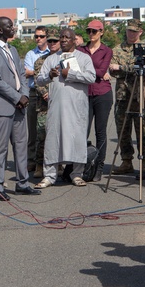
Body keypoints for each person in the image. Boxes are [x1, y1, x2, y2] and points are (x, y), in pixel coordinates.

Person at [0, 17, 41, 200]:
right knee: (0, 147)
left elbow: (21, 74)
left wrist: (24, 94)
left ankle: (23, 183)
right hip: (2, 105)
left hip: (19, 105)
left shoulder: (13, 49)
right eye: (9, 26)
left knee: (21, 145)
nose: (13, 28)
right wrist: (17, 97)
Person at [35, 28, 97, 188]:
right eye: (61, 38)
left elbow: (91, 77)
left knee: (77, 138)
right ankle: (49, 176)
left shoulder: (83, 58)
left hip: (76, 107)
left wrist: (70, 74)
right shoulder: (50, 59)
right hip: (56, 107)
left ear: (74, 40)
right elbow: (39, 80)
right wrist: (50, 76)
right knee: (53, 139)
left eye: (66, 38)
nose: (63, 40)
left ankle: (76, 174)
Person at [110, 21, 145, 174]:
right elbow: (112, 70)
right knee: (123, 131)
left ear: (140, 32)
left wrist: (122, 68)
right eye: (129, 31)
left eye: (134, 31)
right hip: (122, 95)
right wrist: (129, 69)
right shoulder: (117, 49)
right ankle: (126, 161)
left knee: (141, 131)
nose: (131, 34)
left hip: (139, 96)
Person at [80, 19, 113, 182]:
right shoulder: (81, 49)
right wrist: (96, 72)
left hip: (102, 93)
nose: (91, 34)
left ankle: (99, 166)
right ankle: (81, 166)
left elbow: (102, 71)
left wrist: (86, 70)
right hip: (85, 93)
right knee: (82, 131)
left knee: (100, 132)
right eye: (89, 31)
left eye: (94, 31)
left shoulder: (107, 50)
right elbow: (97, 71)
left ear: (101, 32)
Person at [24, 26, 51, 177]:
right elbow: (27, 72)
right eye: (36, 36)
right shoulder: (31, 54)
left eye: (41, 36)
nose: (38, 39)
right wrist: (42, 72)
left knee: (49, 129)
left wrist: (39, 72)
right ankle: (31, 161)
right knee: (33, 129)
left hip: (51, 93)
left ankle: (49, 161)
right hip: (34, 93)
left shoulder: (52, 53)